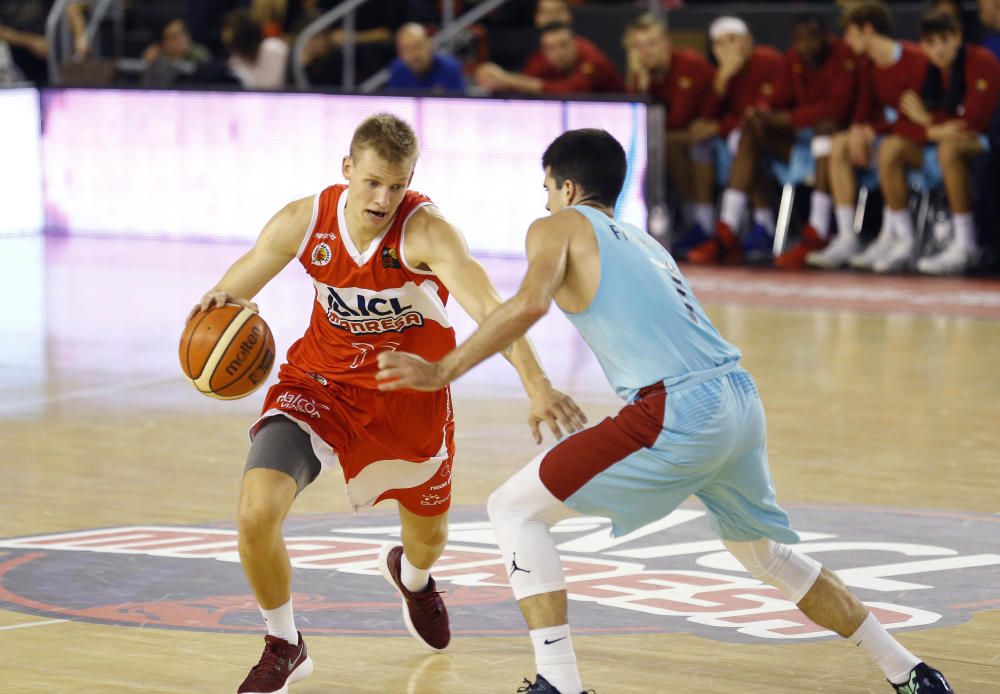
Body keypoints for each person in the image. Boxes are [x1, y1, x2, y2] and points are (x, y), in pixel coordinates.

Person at [376, 128, 954, 694]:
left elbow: (529, 304)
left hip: (678, 408)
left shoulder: (558, 225)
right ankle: (909, 671)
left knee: (513, 510)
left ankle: (559, 682)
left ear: (568, 189)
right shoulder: (647, 243)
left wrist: (442, 371)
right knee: (765, 555)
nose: (545, 202)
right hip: (739, 401)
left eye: (547, 188)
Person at [188, 113, 584, 694]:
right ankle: (284, 641)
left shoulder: (428, 233)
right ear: (347, 170)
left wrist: (537, 384)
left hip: (409, 396)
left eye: (396, 185)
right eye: (372, 182)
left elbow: (491, 307)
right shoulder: (306, 220)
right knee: (255, 513)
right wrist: (219, 307)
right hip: (318, 386)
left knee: (428, 539)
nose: (383, 198)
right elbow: (239, 282)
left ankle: (414, 578)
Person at [807, 0, 930, 272]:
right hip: (890, 137)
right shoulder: (866, 65)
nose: (847, 41)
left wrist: (872, 130)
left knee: (889, 149)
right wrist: (859, 130)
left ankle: (903, 238)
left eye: (851, 33)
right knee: (838, 144)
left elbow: (915, 117)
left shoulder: (915, 59)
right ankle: (847, 237)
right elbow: (864, 111)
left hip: (918, 140)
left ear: (868, 29)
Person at [888, 9, 1000, 274]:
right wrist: (934, 129)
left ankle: (966, 243)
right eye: (930, 43)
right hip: (938, 142)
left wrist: (927, 122)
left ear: (958, 37)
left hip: (988, 142)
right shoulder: (922, 68)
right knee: (891, 149)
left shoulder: (981, 61)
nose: (938, 49)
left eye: (944, 40)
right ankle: (903, 240)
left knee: (949, 149)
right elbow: (902, 121)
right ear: (922, 45)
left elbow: (971, 124)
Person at [762, 14, 865, 269]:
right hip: (804, 139)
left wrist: (788, 118)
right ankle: (736, 226)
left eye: (813, 38)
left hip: (843, 137)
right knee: (753, 130)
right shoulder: (794, 59)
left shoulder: (844, 56)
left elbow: (836, 110)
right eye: (801, 40)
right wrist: (762, 111)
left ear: (826, 37)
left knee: (825, 129)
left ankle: (818, 228)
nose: (808, 45)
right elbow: (777, 100)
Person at [686, 16, 785, 265]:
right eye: (719, 43)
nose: (727, 48)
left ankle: (730, 229)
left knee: (743, 139)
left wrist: (721, 126)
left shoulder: (768, 60)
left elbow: (762, 111)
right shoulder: (719, 72)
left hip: (777, 135)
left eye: (732, 40)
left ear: (748, 40)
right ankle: (710, 223)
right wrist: (721, 81)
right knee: (706, 143)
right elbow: (705, 117)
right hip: (741, 140)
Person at [623, 12, 717, 255]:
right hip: (674, 141)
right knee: (660, 145)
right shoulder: (638, 77)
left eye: (652, 44)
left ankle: (703, 223)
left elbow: (679, 119)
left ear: (666, 44)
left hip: (714, 136)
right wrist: (640, 86)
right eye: (638, 47)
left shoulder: (690, 64)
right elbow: (637, 126)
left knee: (684, 143)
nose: (646, 52)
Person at [475, 21, 624, 95]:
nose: (558, 53)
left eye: (563, 45)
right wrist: (495, 79)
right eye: (550, 48)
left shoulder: (593, 60)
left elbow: (571, 91)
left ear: (575, 43)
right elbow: (528, 81)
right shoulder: (541, 59)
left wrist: (507, 79)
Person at [387, 22, 465, 93]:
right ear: (400, 52)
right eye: (407, 49)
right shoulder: (397, 70)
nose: (414, 55)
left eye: (418, 46)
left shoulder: (451, 69)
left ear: (429, 44)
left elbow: (460, 104)